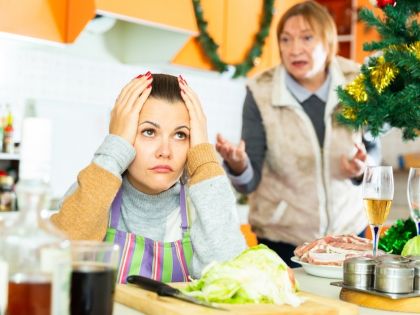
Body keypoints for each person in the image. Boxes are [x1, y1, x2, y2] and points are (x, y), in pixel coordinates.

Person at [216, 1, 380, 268]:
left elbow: (374, 149)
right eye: (285, 39)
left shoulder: (357, 81)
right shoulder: (261, 92)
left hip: (349, 237)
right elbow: (249, 182)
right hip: (282, 241)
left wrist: (363, 169)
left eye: (306, 38)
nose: (294, 49)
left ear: (327, 42)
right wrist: (238, 164)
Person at [51, 72, 246, 283]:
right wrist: (114, 148)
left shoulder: (202, 205)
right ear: (123, 135)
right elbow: (54, 266)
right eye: (149, 132)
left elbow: (233, 282)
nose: (165, 151)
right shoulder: (93, 192)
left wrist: (205, 159)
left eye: (180, 135)